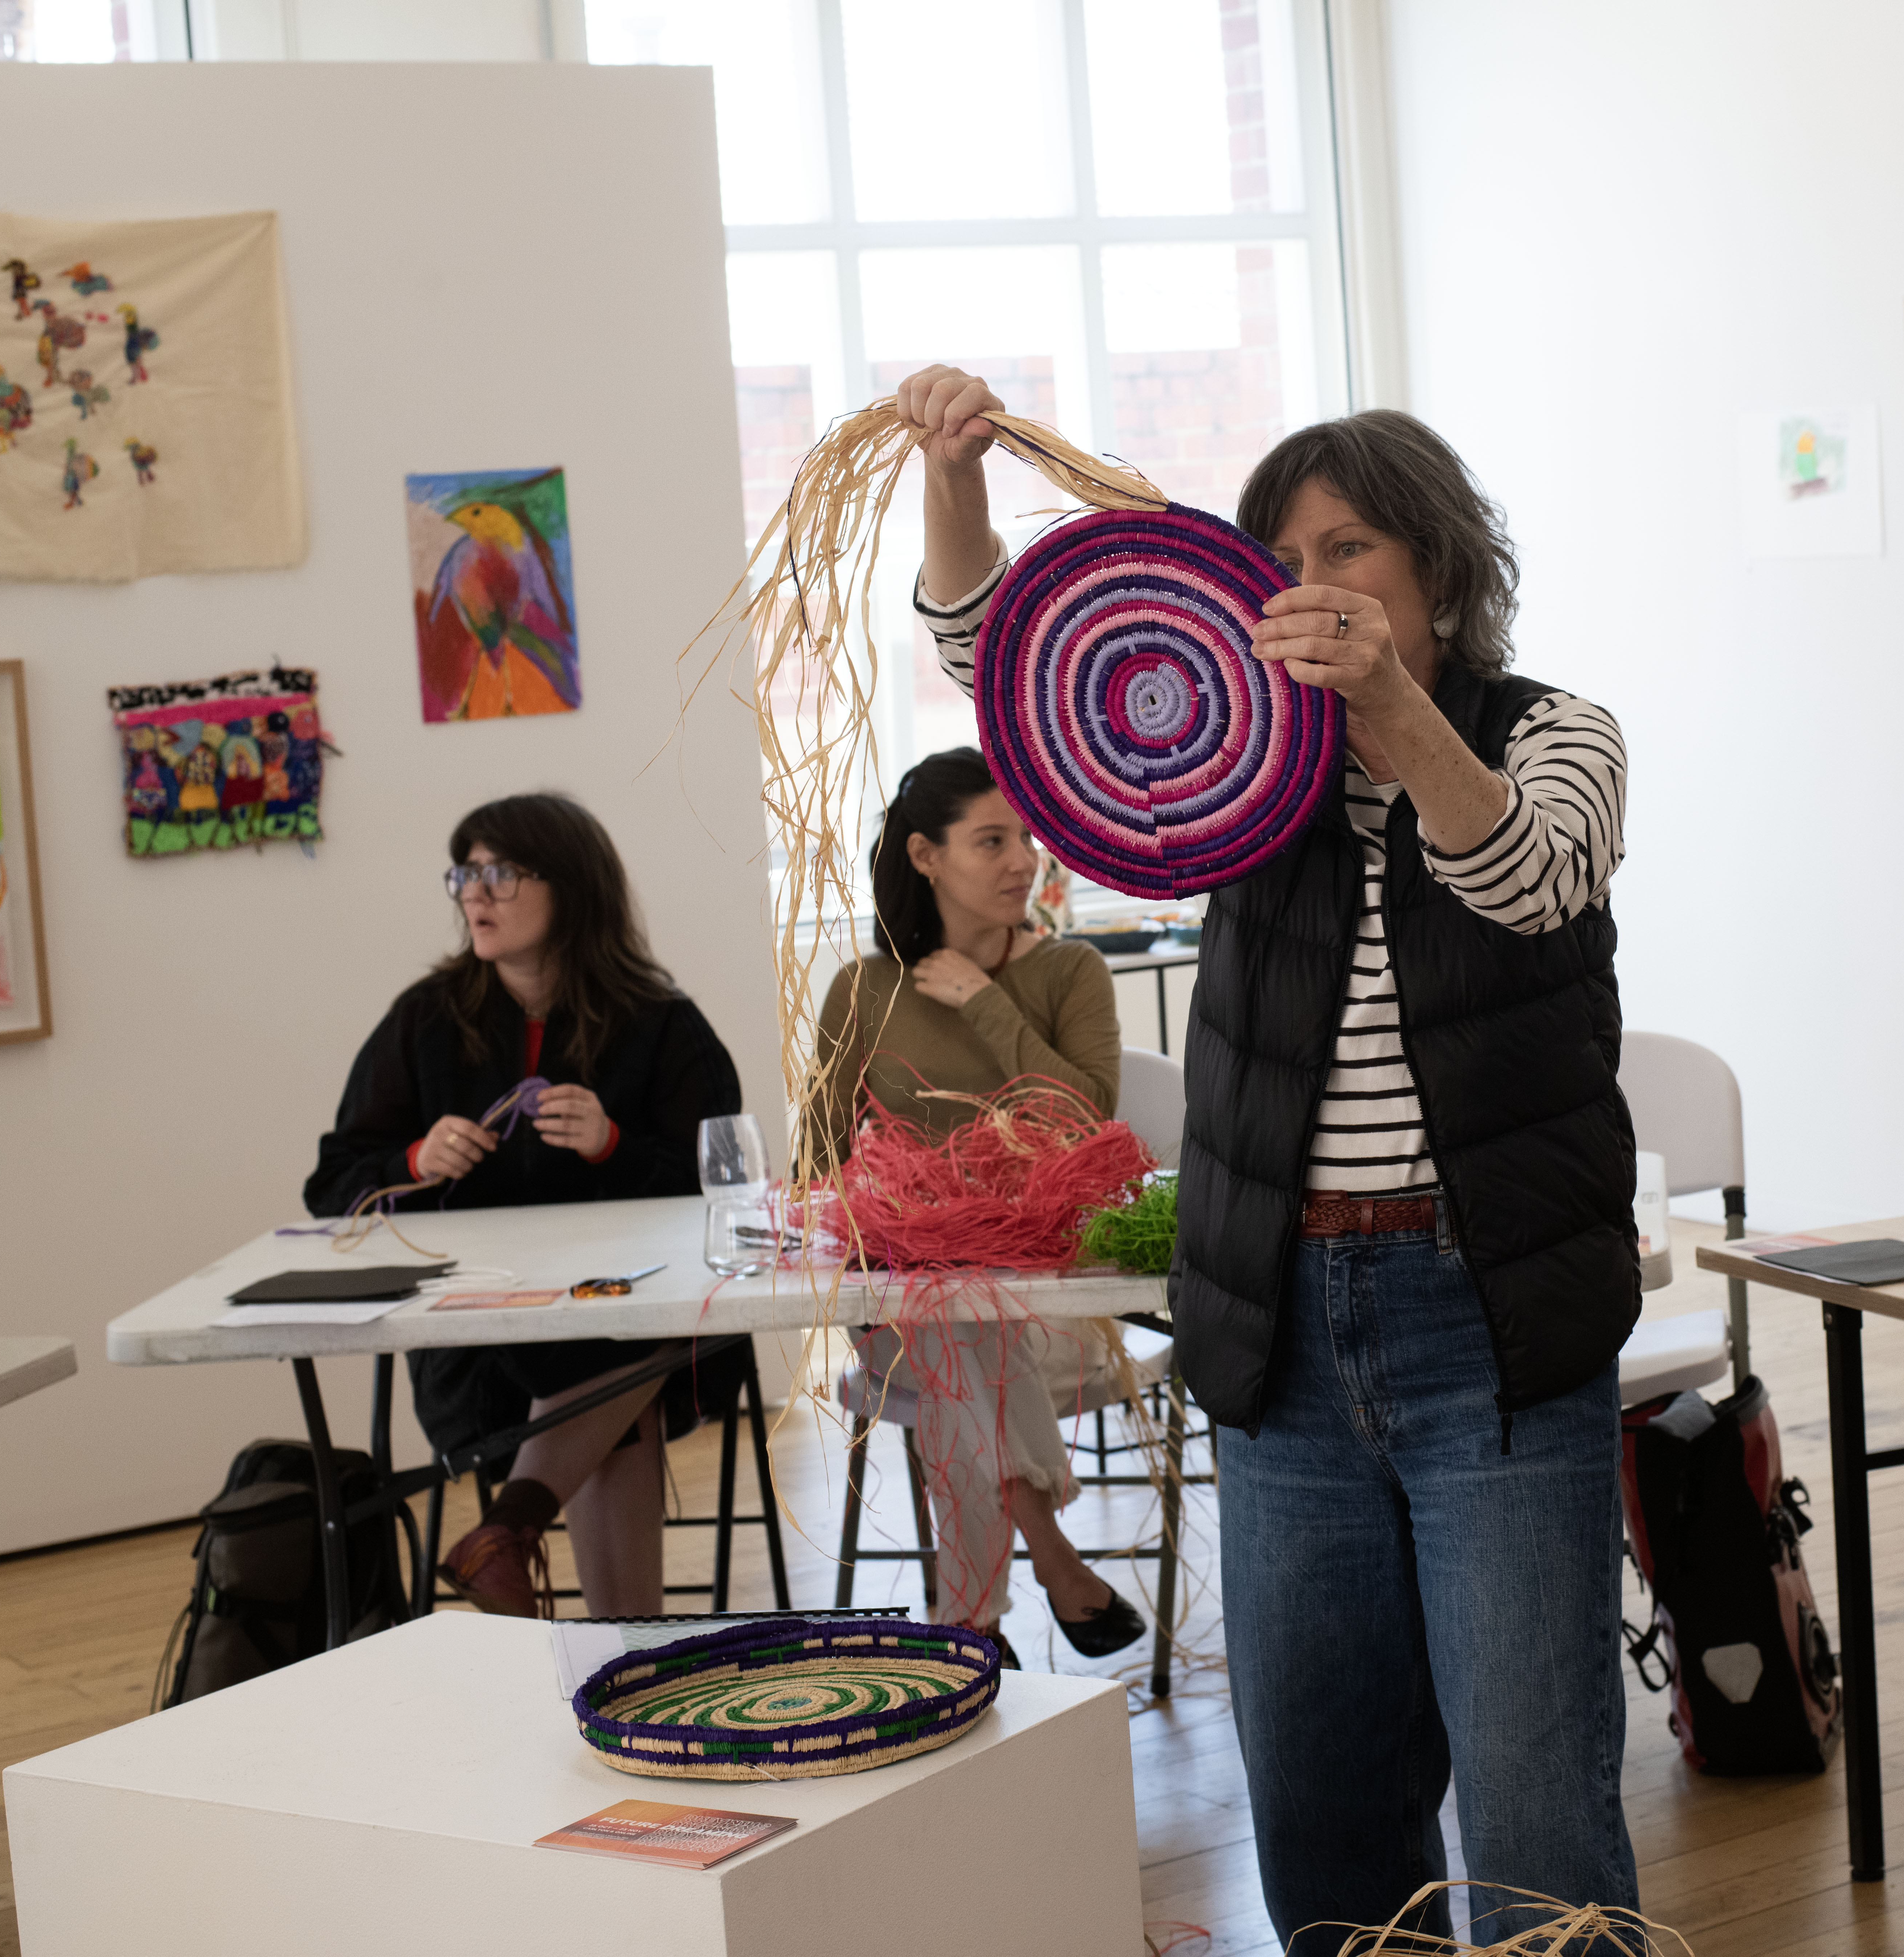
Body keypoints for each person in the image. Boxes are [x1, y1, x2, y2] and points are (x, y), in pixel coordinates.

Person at [898, 364, 1638, 1948]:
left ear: (1440, 569)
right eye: (1284, 558)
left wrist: (1389, 708)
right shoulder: (1237, 757)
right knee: (1317, 1802)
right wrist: (953, 476)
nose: (1311, 588)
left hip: (1492, 1317)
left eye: (1350, 549)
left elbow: (1524, 880)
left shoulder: (1558, 733)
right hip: (1280, 1324)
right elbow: (999, 657)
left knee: (1533, 1816)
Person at [306, 792, 746, 1619]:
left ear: (572, 886)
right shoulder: (425, 1020)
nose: (475, 893)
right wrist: (413, 1159)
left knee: (622, 1329)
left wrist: (613, 1144)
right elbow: (333, 1183)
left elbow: (726, 1183)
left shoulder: (661, 1024)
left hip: (637, 1319)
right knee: (619, 1359)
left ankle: (508, 1533)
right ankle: (624, 1649)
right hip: (481, 1340)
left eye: (500, 873)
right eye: (465, 873)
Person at [801, 745, 1141, 1660]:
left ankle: (968, 1628)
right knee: (952, 1313)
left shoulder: (1070, 973)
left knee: (964, 1328)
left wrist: (988, 1002)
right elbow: (814, 1158)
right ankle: (1051, 1557)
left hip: (1050, 1306)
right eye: (992, 840)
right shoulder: (863, 989)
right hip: (900, 1310)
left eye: (1027, 836)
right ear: (924, 856)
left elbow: (1084, 1123)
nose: (1023, 860)